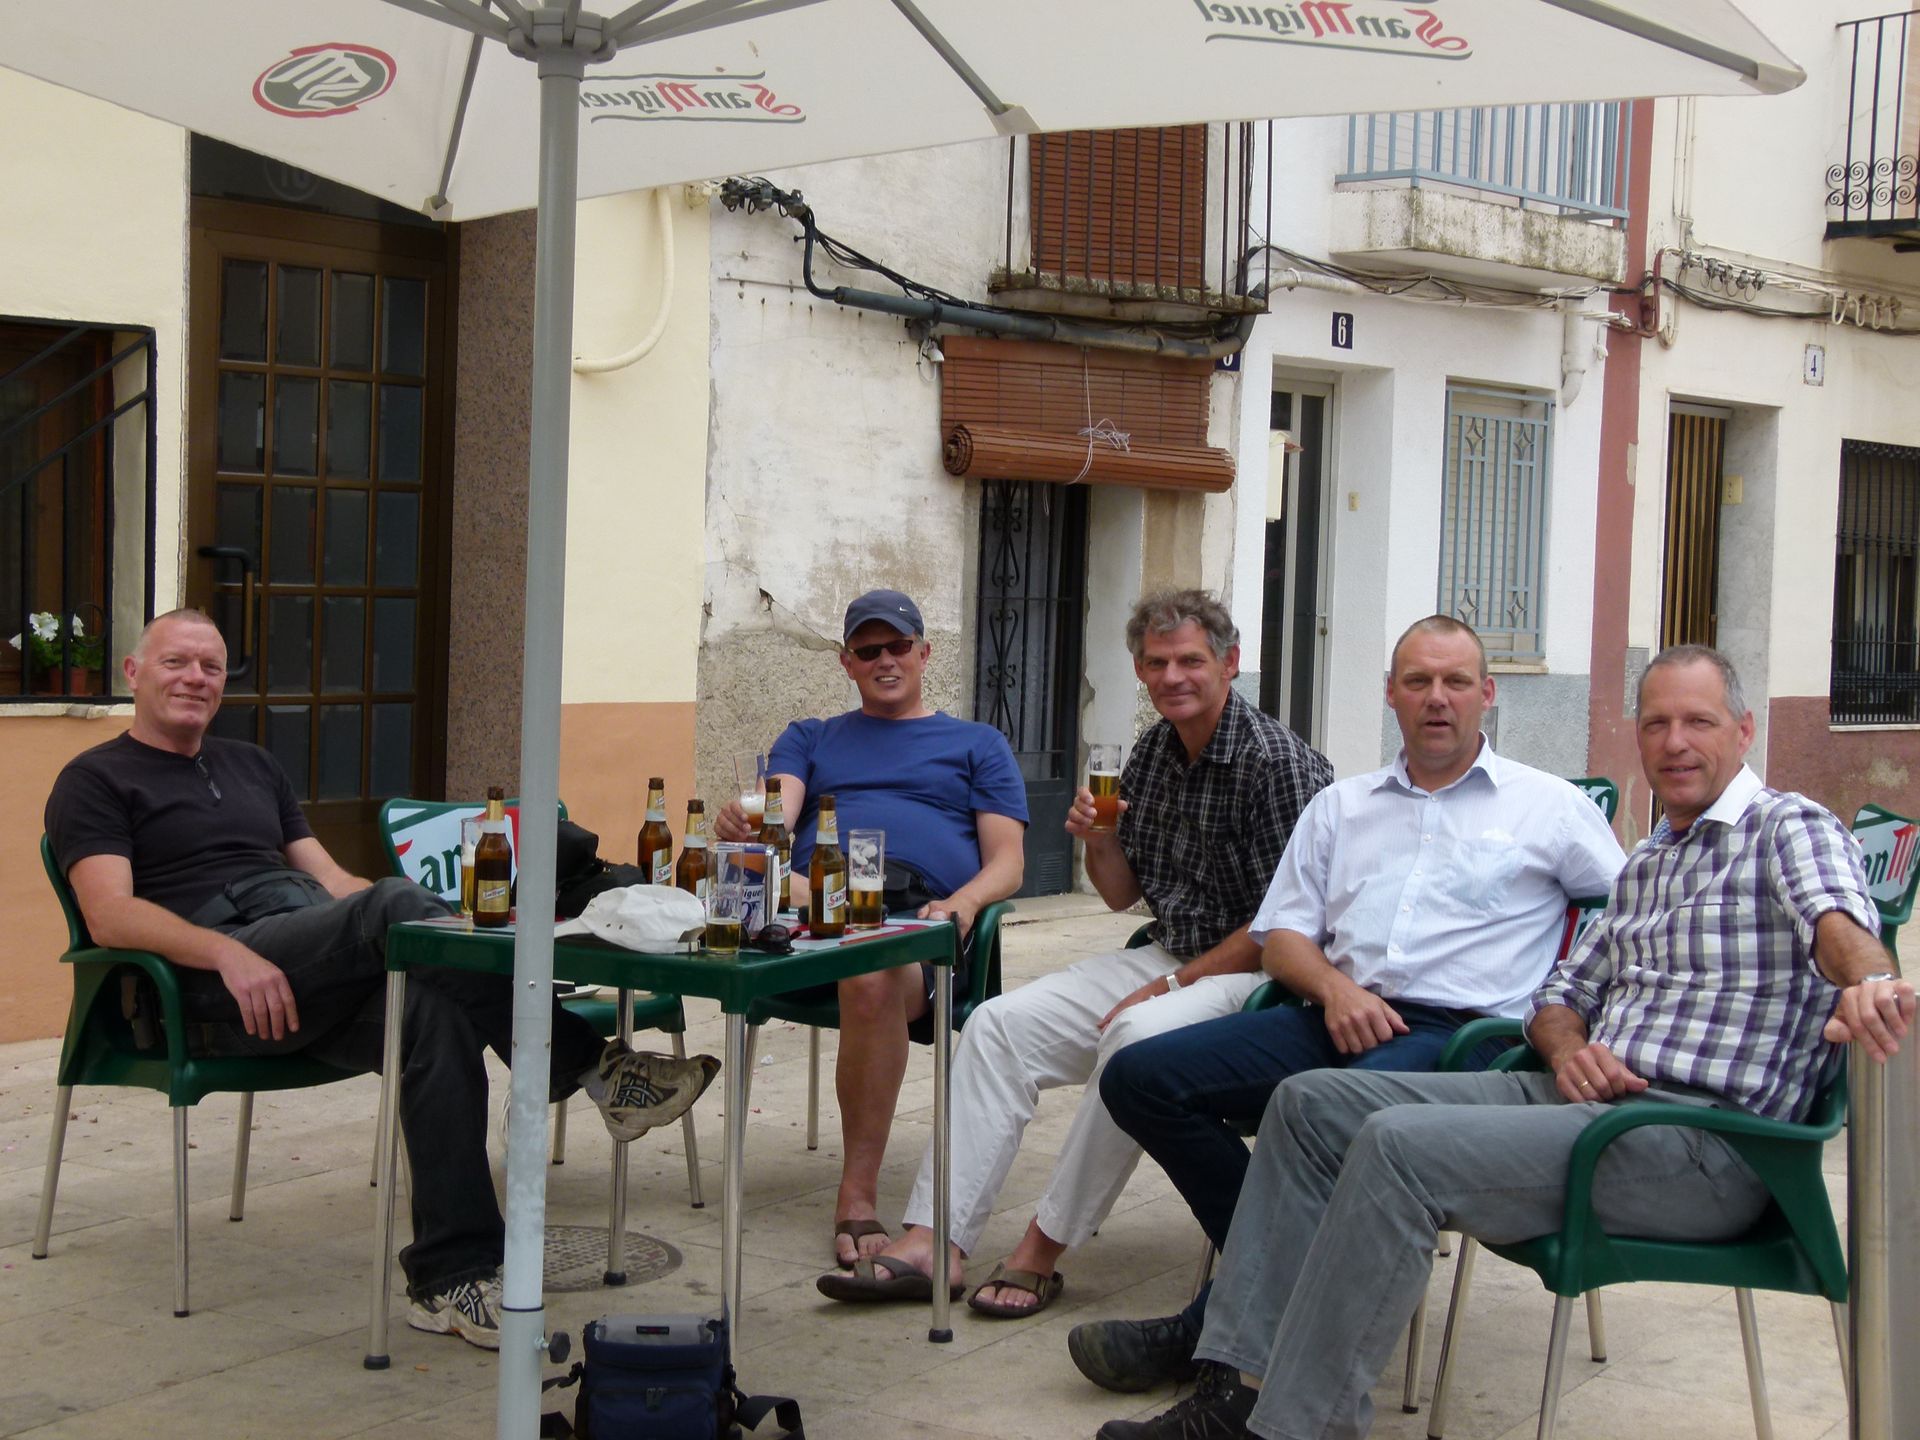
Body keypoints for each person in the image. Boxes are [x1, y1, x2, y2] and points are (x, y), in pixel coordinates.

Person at [1099, 643, 1913, 1440]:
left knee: (1395, 1147)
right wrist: (1568, 1049)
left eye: (1697, 722)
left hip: (1701, 1143)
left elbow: (1838, 921)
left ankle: (1291, 1429)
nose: (1675, 743)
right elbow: (1561, 997)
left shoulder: (1786, 826)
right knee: (1308, 1105)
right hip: (1588, 1102)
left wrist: (1869, 980)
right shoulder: (1649, 863)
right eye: (1656, 724)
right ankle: (1235, 1387)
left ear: (1743, 730)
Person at [43, 609, 719, 1351]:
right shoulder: (96, 779)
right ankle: (595, 1067)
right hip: (213, 982)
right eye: (175, 662)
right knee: (394, 903)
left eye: (210, 666)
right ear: (134, 673)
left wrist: (405, 928)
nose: (195, 679)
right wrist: (228, 953)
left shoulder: (253, 766)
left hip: (304, 951)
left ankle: (450, 1279)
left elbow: (333, 882)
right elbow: (110, 914)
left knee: (434, 1012)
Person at [1068, 614, 1624, 1391]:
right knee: (1139, 1076)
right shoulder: (1343, 806)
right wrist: (1334, 989)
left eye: (1456, 681)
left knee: (1320, 1111)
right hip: (1335, 1014)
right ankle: (1280, 1281)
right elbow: (1283, 938)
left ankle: (1217, 1335)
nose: (1437, 698)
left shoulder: (1549, 806)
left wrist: (1574, 1025)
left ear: (1487, 694)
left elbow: (1635, 920)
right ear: (1391, 693)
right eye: (1418, 681)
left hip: (1465, 1040)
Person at [816, 589, 1333, 1316]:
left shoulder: (1276, 763)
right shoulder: (1153, 752)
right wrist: (1099, 839)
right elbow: (1121, 896)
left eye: (1190, 660)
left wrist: (1172, 986)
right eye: (1157, 663)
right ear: (1139, 670)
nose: (1173, 677)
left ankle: (1041, 1249)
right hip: (1171, 954)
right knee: (997, 1025)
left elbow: (1284, 927)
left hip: (1261, 978)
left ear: (1230, 663)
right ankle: (934, 1241)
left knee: (1132, 1038)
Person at [712, 588, 1028, 1269]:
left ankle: (855, 1195)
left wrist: (965, 903)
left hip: (915, 922)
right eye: (868, 649)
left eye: (898, 646)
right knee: (743, 878)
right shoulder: (811, 737)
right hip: (812, 917)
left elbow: (1008, 862)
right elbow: (775, 816)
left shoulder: (977, 744)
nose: (885, 659)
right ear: (847, 663)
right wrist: (745, 823)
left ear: (925, 652)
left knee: (873, 966)